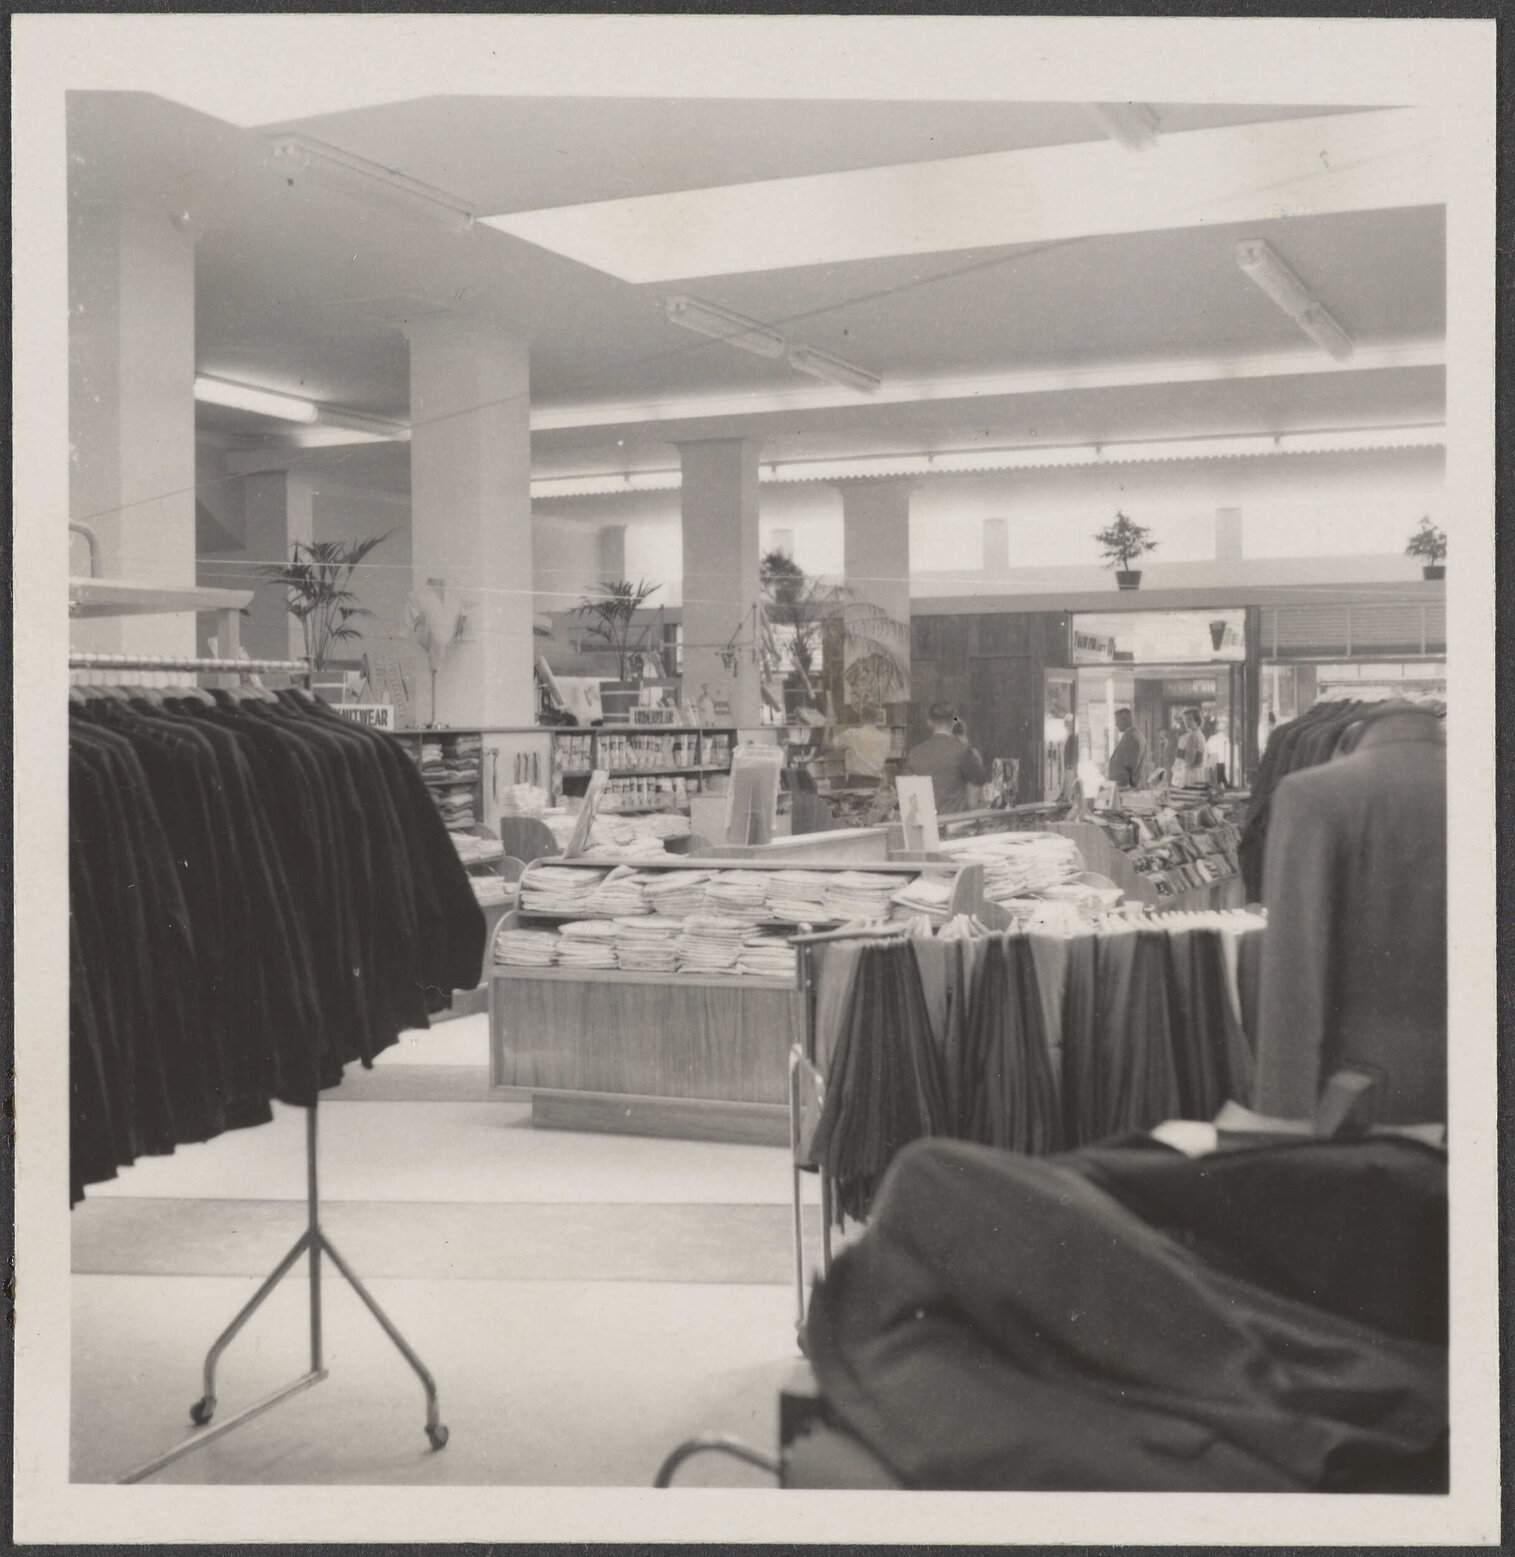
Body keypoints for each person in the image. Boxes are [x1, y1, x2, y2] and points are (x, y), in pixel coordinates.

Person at [903, 702, 989, 814]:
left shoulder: (914, 753)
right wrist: (965, 741)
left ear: (929, 722)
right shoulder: (961, 750)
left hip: (926, 823)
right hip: (954, 822)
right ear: (952, 723)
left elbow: (908, 791)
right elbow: (980, 778)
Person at [836, 706, 892, 788]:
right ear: (876, 718)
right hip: (876, 784)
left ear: (861, 717)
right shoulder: (885, 738)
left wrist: (827, 726)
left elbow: (830, 745)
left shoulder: (852, 734)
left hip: (857, 783)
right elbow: (885, 756)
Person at [1107, 707, 1148, 789]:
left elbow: (1130, 767)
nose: (1116, 724)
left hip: (1126, 789)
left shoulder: (1131, 737)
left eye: (1117, 721)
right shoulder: (1135, 734)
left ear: (1124, 721)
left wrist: (1121, 787)